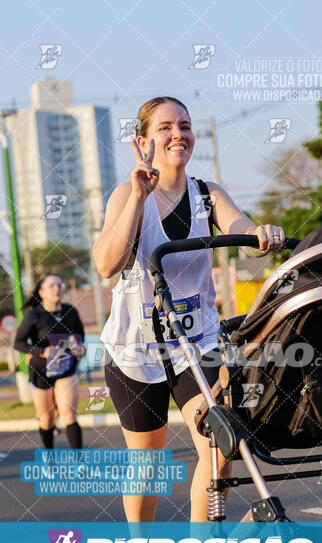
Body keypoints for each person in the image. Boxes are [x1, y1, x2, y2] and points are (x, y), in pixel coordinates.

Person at [94, 95, 284, 518]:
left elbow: (244, 232)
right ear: (142, 140)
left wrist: (260, 234)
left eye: (184, 125)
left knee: (219, 448)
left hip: (195, 344)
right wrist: (139, 197)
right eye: (164, 127)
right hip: (135, 350)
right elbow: (107, 263)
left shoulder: (207, 193)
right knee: (147, 463)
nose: (178, 134)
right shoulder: (126, 194)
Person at [14, 274, 86, 449]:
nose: (58, 289)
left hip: (66, 368)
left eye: (60, 285)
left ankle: (79, 462)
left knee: (69, 414)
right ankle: (49, 458)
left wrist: (79, 348)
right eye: (52, 286)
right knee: (47, 419)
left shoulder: (71, 311)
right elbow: (19, 343)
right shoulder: (34, 315)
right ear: (41, 292)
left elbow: (79, 337)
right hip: (41, 370)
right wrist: (42, 351)